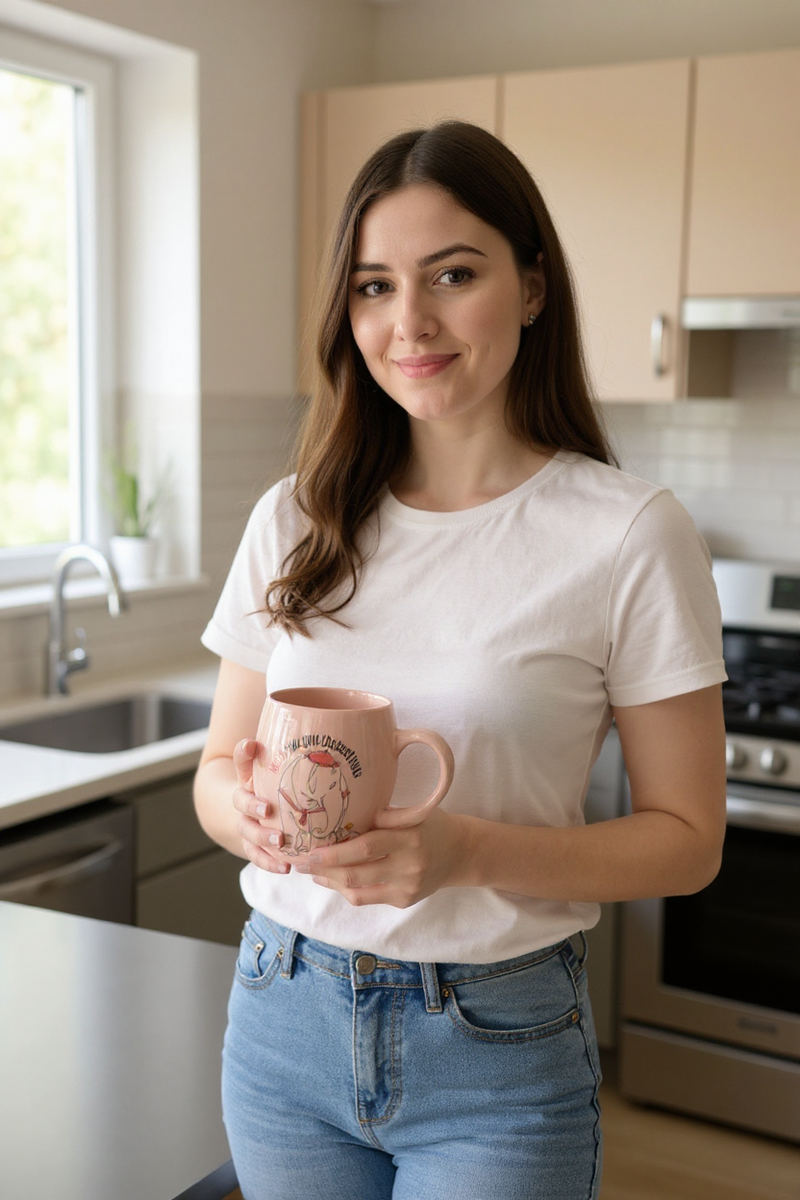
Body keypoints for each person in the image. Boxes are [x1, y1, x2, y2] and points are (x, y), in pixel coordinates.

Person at [194, 120, 727, 1200]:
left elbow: (685, 844)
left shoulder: (625, 532)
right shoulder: (293, 517)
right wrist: (247, 814)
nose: (410, 323)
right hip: (281, 1012)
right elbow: (214, 774)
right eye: (374, 286)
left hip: (495, 1043)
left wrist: (463, 850)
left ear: (532, 287)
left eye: (452, 274)